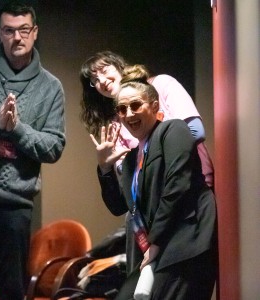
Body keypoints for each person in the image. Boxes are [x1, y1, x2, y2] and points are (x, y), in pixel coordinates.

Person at [0, 1, 66, 299]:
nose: (16, 37)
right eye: (9, 31)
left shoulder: (51, 87)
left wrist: (16, 128)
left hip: (15, 200)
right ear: (0, 33)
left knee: (12, 288)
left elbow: (54, 146)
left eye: (23, 30)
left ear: (34, 32)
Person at [90, 68, 218, 300]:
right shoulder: (131, 159)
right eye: (122, 109)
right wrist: (105, 169)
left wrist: (155, 242)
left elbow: (177, 186)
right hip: (157, 246)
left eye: (136, 105)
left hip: (186, 240)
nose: (128, 114)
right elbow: (119, 206)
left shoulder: (174, 130)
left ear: (155, 106)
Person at [80, 51, 214, 188]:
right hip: (153, 196)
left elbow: (196, 131)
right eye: (95, 80)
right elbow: (126, 170)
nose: (101, 81)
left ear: (118, 66)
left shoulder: (162, 84)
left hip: (192, 183)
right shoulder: (116, 123)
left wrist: (145, 160)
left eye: (104, 70)